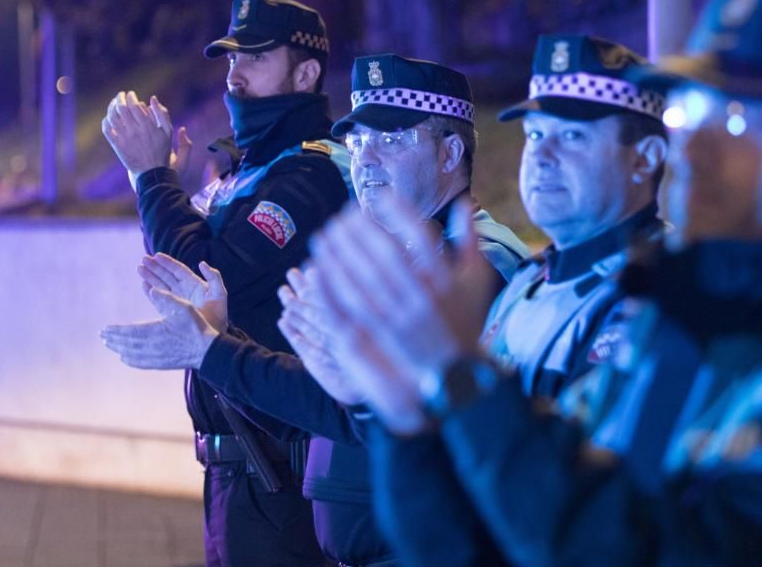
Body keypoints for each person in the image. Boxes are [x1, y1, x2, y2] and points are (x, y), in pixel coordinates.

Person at [296, 0, 762, 566]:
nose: (693, 147)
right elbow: (482, 541)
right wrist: (403, 413)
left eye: (737, 119)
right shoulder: (684, 320)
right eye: (690, 112)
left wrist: (463, 379)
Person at [103, 54, 530, 566]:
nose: (366, 159)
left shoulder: (478, 268)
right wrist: (219, 338)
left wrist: (214, 351)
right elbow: (326, 417)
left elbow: (413, 428)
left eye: (390, 140)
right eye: (358, 141)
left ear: (450, 152)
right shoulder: (404, 263)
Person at [292, 35, 676, 565]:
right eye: (536, 133)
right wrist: (378, 407)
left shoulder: (671, 297)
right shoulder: (529, 284)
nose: (541, 155)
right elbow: (457, 477)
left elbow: (593, 517)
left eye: (572, 136)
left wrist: (454, 377)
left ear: (646, 158)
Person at [101, 0, 344, 566]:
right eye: (231, 57)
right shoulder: (252, 171)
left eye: (255, 57)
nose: (234, 73)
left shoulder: (309, 173)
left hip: (277, 469)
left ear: (305, 72)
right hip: (236, 470)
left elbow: (202, 274)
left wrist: (151, 175)